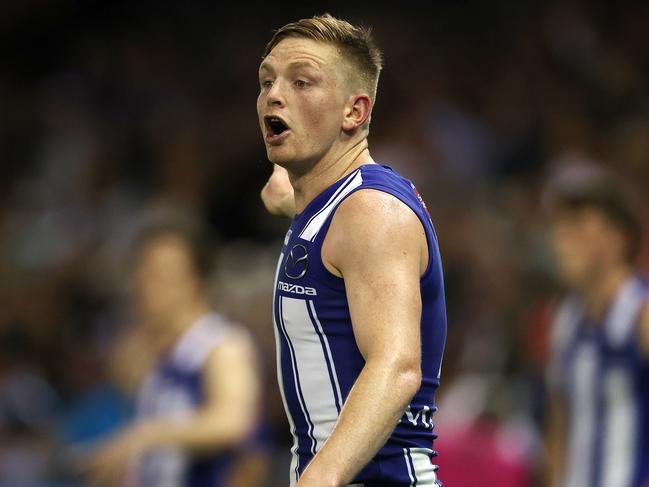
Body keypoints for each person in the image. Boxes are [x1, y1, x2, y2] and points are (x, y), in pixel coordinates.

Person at [257, 14, 447, 487]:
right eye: (266, 81)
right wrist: (286, 185)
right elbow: (287, 198)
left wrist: (318, 480)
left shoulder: (371, 212)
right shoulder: (327, 205)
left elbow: (398, 365)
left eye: (302, 82)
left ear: (354, 112)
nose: (274, 95)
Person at [86, 220, 262, 487]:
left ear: (196, 281)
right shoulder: (147, 352)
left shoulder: (222, 345)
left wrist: (147, 436)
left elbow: (234, 422)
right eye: (142, 272)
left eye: (160, 275)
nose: (146, 286)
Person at [544, 165, 649, 487]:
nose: (561, 239)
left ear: (618, 237)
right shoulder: (565, 320)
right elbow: (558, 429)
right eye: (559, 226)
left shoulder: (640, 314)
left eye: (577, 226)